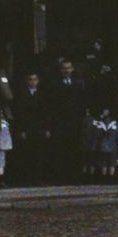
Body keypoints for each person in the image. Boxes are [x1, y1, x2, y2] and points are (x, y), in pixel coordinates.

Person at [43, 56, 86, 186]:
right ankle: (61, 177)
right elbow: (50, 105)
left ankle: (75, 177)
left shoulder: (79, 83)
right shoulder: (54, 84)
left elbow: (83, 102)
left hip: (75, 122)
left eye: (68, 68)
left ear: (72, 69)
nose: (66, 71)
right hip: (60, 123)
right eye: (64, 69)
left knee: (75, 149)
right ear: (60, 70)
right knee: (61, 150)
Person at [7, 72, 44, 187]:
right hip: (27, 128)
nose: (32, 82)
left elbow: (46, 112)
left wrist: (46, 128)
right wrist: (21, 130)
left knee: (38, 154)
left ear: (38, 81)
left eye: (35, 79)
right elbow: (19, 114)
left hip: (38, 128)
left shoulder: (42, 94)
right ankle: (27, 179)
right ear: (27, 81)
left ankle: (37, 178)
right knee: (27, 154)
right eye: (30, 80)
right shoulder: (21, 95)